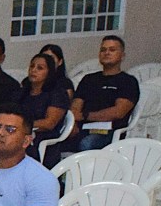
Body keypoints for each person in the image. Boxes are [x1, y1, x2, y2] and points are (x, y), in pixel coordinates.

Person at [49, 35, 139, 164]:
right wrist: (73, 123)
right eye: (103, 50)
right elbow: (76, 106)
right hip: (81, 128)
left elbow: (118, 112)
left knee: (87, 143)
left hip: (109, 132)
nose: (107, 53)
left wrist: (85, 115)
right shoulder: (89, 79)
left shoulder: (128, 82)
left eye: (112, 50)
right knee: (51, 142)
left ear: (122, 56)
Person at [12, 53, 71, 159]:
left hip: (44, 141)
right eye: (32, 66)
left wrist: (20, 125)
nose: (33, 70)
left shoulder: (57, 93)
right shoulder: (22, 92)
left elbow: (49, 124)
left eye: (40, 68)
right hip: (19, 133)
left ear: (49, 72)